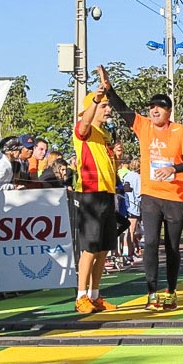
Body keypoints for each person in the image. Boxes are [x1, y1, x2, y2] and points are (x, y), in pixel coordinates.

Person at [99, 65, 183, 312]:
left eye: (159, 107)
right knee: (151, 242)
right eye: (151, 107)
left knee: (172, 246)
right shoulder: (143, 126)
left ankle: (171, 291)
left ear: (168, 111)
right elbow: (122, 110)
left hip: (175, 196)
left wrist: (174, 169)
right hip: (151, 194)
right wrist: (109, 88)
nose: (153, 110)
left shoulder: (179, 130)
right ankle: (152, 292)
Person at [71, 89, 119, 313]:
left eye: (108, 106)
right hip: (90, 194)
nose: (108, 109)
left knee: (103, 249)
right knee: (89, 248)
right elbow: (83, 125)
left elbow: (109, 166)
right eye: (103, 106)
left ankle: (95, 295)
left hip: (107, 193)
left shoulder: (104, 134)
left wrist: (116, 157)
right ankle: (81, 296)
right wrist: (96, 99)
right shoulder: (85, 129)